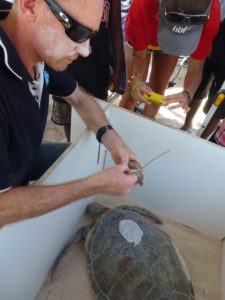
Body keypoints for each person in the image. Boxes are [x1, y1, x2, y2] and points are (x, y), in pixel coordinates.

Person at [0, 0, 141, 227]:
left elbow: (79, 98)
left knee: (76, 160)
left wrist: (113, 139)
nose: (85, 51)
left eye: (91, 35)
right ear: (29, 5)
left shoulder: (31, 44)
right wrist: (92, 185)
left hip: (24, 157)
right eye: (77, 31)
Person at [119, 0, 220, 119]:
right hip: (144, 26)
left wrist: (187, 93)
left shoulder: (212, 10)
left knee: (157, 93)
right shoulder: (143, 3)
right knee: (132, 93)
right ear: (159, 13)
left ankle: (146, 125)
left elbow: (196, 67)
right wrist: (135, 78)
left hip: (168, 36)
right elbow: (139, 56)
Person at [52, 0, 124, 141]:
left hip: (97, 64)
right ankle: (71, 144)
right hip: (68, 58)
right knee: (68, 110)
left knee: (95, 110)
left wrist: (118, 68)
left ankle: (92, 147)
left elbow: (115, 28)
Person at [181, 17, 225, 139]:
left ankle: (204, 137)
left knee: (220, 99)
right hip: (213, 34)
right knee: (199, 87)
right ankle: (187, 123)